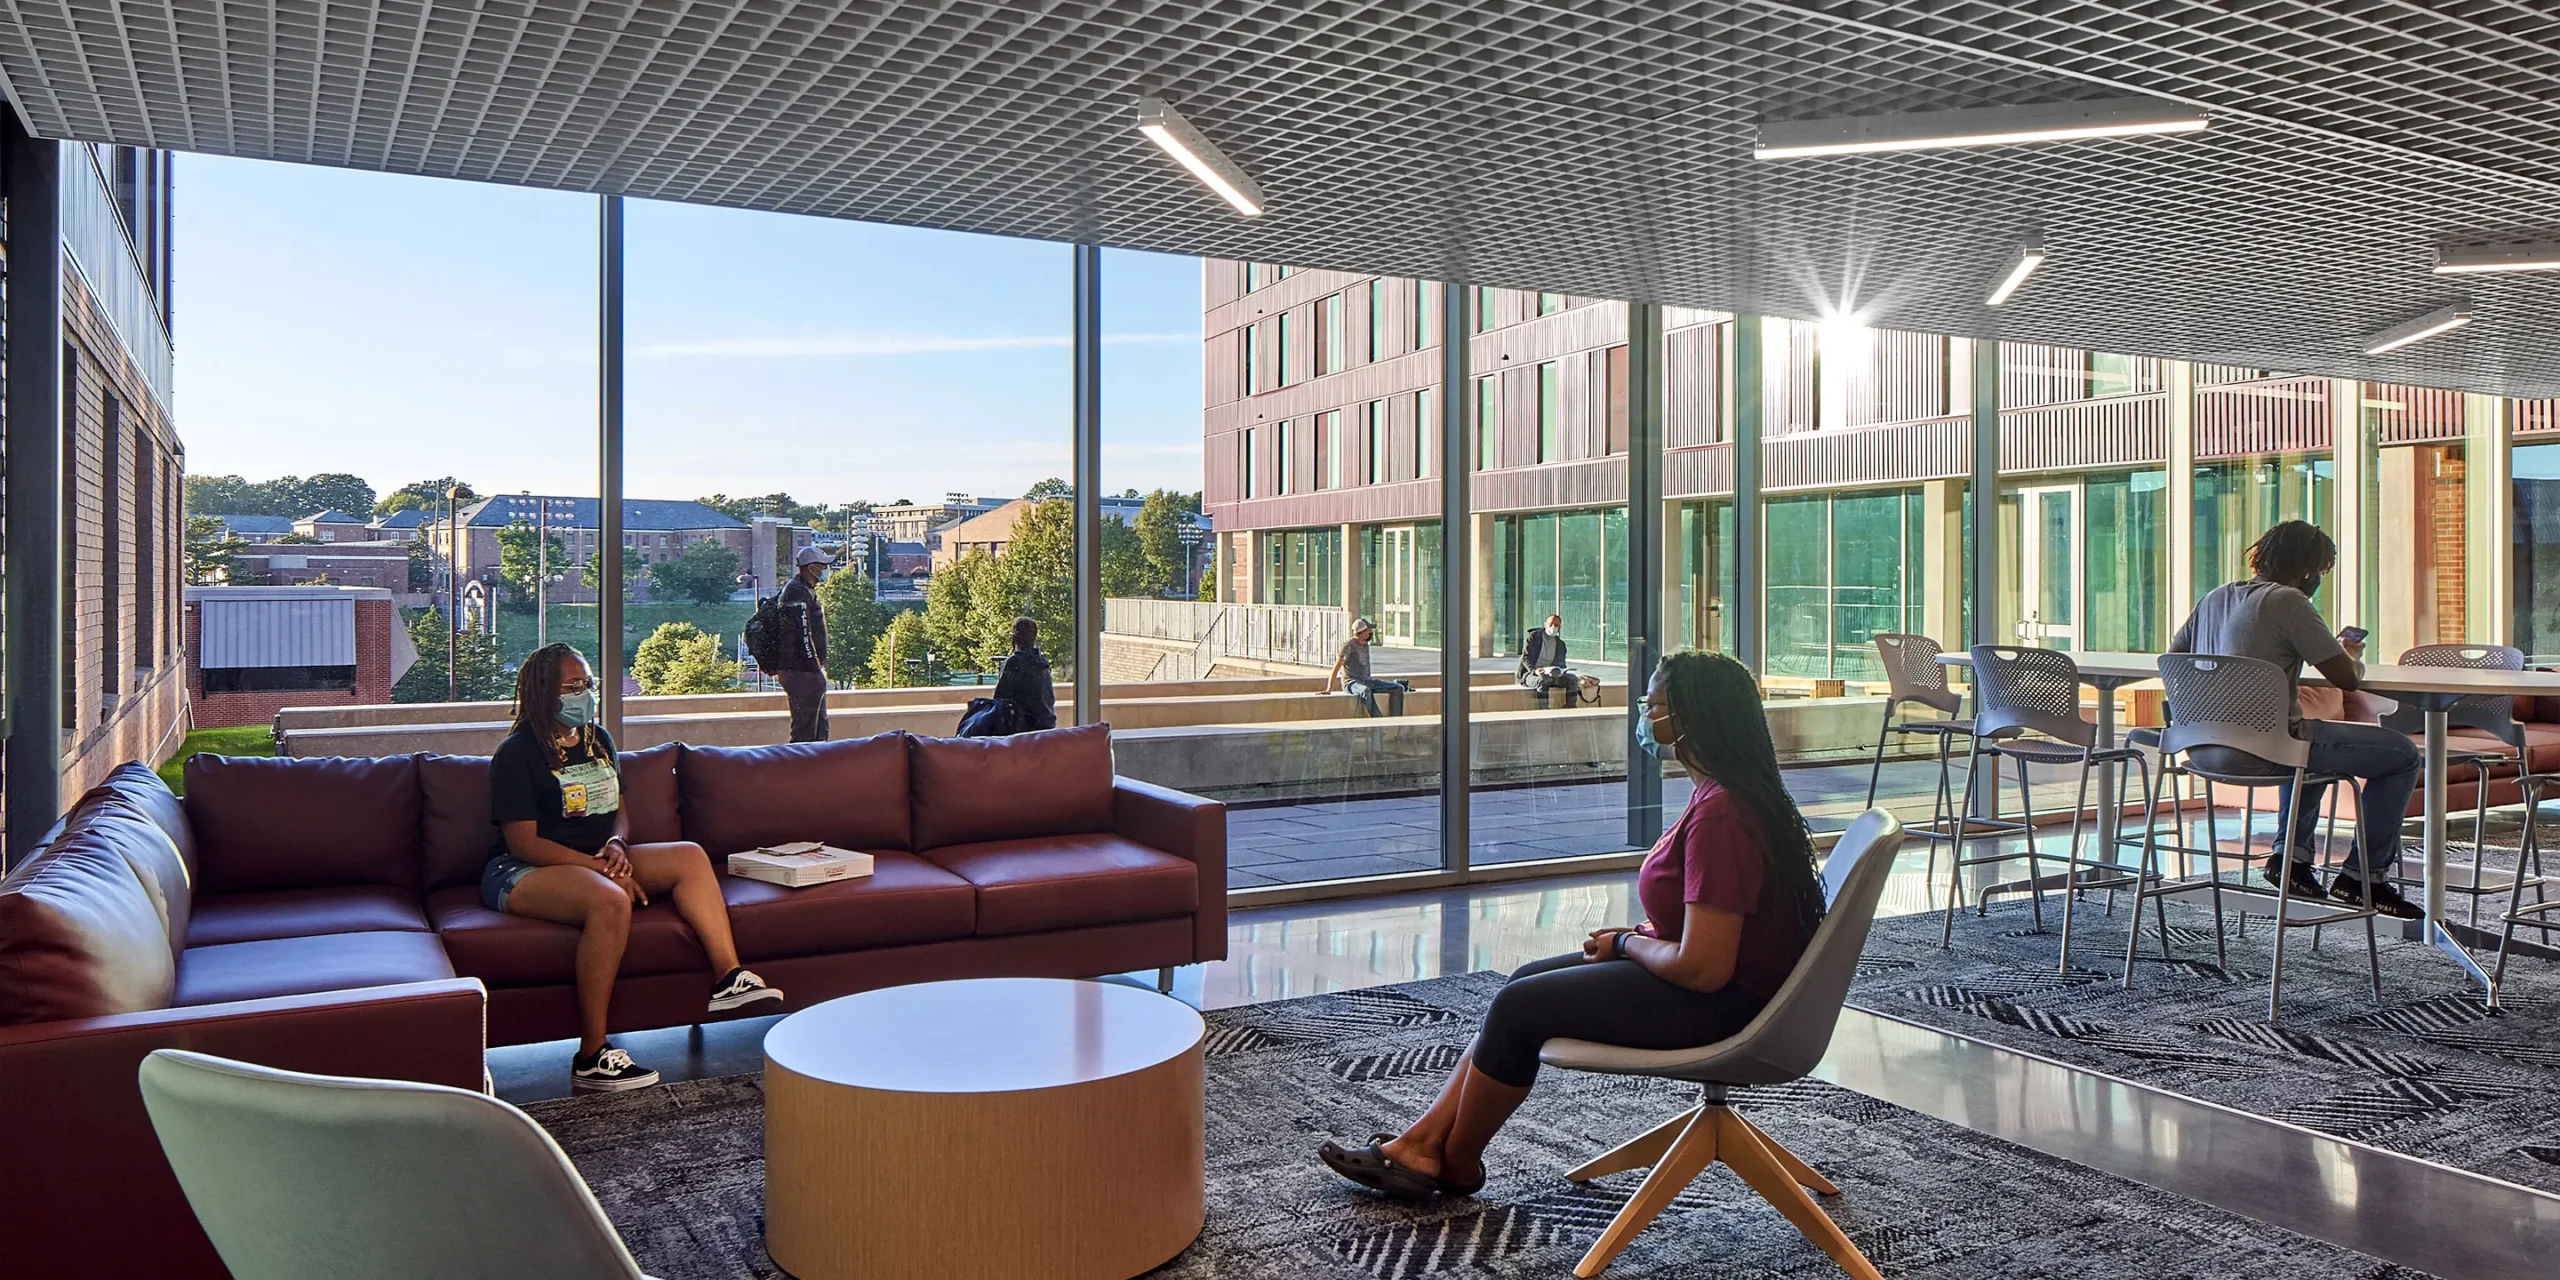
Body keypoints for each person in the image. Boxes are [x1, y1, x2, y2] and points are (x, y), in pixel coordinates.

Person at [1317, 650, 1825, 1200]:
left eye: (1650, 705)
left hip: (1727, 1007)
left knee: (1520, 1009)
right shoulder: (1728, 795)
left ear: (1689, 718)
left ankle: (1456, 1162)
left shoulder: (1722, 813)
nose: (1642, 717)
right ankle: (1422, 1145)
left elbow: (1703, 968)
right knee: (1522, 983)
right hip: (1735, 990)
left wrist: (1629, 943)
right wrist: (1637, 940)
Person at [483, 644, 785, 1092]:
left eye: (588, 684)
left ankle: (728, 975)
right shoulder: (517, 754)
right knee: (610, 901)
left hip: (599, 856)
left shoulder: (597, 739)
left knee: (689, 855)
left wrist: (617, 844)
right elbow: (523, 841)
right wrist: (600, 870)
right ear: (544, 692)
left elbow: (619, 810)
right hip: (523, 869)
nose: (584, 694)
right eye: (573, 686)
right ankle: (592, 1055)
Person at [2169, 519, 2422, 919]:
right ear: (2307, 570)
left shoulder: (2215, 598)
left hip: (2203, 750)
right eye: (2321, 572)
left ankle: (2291, 861)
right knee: (2404, 755)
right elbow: (2344, 678)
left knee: (2306, 743)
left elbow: (2175, 658)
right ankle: (2363, 877)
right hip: (2261, 751)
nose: (2320, 581)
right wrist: (2350, 653)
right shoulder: (2289, 602)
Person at [772, 545, 833, 743]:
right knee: (805, 732)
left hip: (806, 672)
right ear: (811, 567)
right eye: (822, 566)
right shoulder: (797, 592)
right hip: (802, 672)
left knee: (818, 730)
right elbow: (802, 634)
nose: (825, 570)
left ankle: (816, 769)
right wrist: (815, 669)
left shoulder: (803, 590)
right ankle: (799, 770)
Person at [1327, 617, 1409, 717]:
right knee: (1365, 691)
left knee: (1398, 688)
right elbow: (1337, 667)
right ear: (1361, 633)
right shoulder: (1348, 646)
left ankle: (1395, 720)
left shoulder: (1365, 645)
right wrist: (1328, 689)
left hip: (1367, 680)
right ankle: (1378, 720)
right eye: (1367, 631)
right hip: (1352, 683)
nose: (1370, 633)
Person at [990, 616, 1058, 732]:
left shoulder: (1013, 663)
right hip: (1046, 726)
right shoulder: (1042, 663)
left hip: (1024, 730)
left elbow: (1000, 701)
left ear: (1014, 637)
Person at [1516, 613, 1592, 706]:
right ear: (1545, 625)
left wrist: (1560, 671)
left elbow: (1561, 664)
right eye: (1550, 624)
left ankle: (1570, 707)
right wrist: (1535, 671)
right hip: (1531, 674)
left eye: (1556, 625)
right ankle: (1544, 710)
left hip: (1552, 675)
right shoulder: (1533, 638)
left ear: (1559, 627)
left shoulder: (1560, 644)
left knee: (1572, 679)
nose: (1553, 627)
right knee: (1542, 681)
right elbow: (1525, 657)